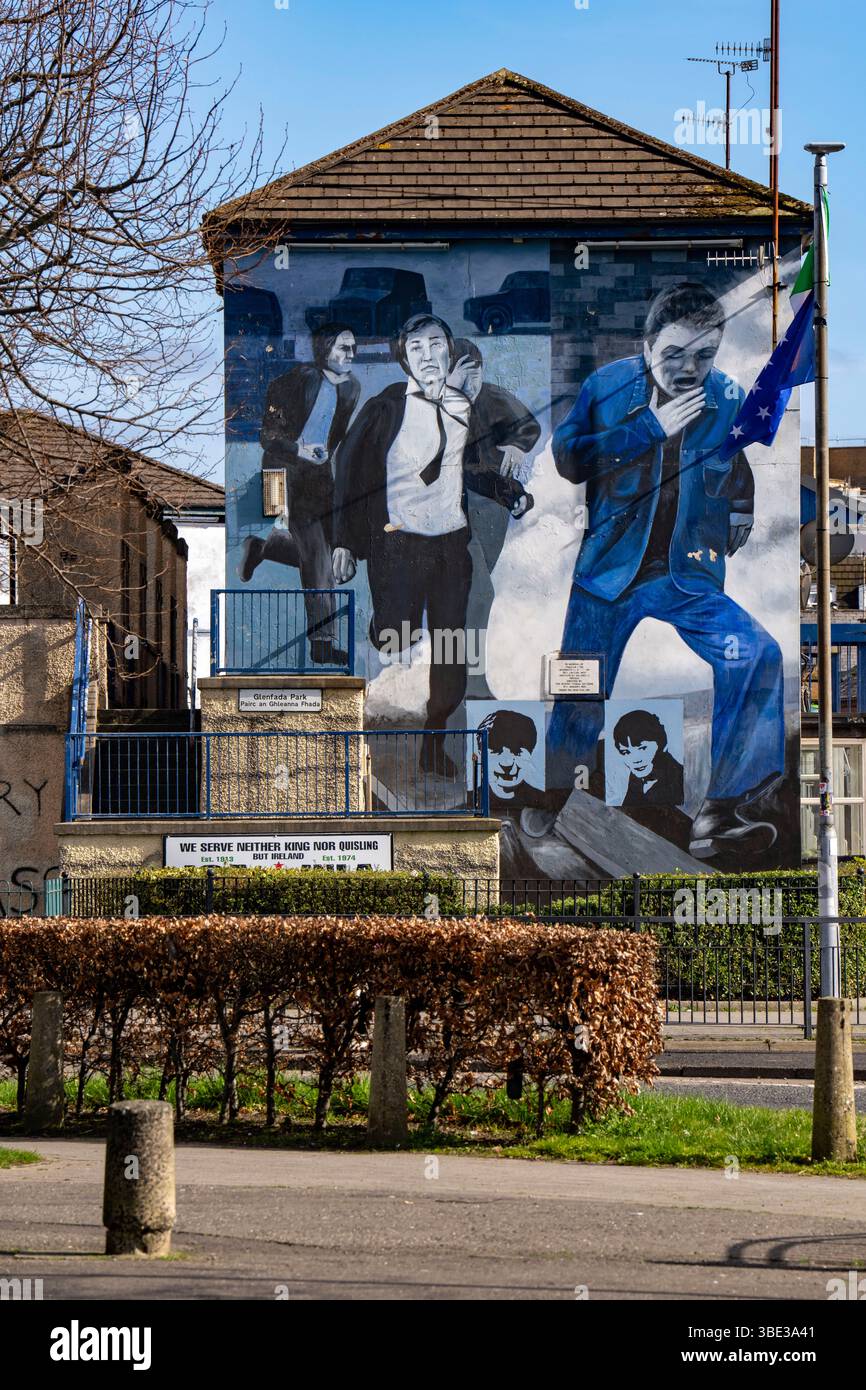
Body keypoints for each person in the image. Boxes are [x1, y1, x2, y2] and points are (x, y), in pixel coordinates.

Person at [546, 282, 784, 861]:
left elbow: (735, 454)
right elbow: (568, 458)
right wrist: (649, 428)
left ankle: (723, 812)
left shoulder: (726, 397)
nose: (689, 369)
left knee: (758, 653)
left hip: (684, 577)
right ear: (647, 344)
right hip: (607, 576)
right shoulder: (607, 386)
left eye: (704, 356)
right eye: (674, 354)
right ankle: (547, 794)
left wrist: (743, 504)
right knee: (580, 691)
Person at [332, 313, 481, 774]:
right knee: (396, 634)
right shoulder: (385, 406)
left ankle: (433, 742)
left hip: (451, 548)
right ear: (404, 359)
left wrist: (508, 492)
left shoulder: (464, 407)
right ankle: (385, 623)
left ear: (450, 351)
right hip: (397, 545)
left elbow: (472, 469)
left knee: (452, 649)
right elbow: (349, 469)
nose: (428, 355)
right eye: (416, 348)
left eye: (436, 344)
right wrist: (344, 542)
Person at [239, 323, 359, 665]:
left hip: (318, 478)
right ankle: (322, 644)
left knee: (325, 555)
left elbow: (334, 439)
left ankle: (262, 548)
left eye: (353, 348)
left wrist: (322, 462)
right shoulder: (295, 381)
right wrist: (300, 450)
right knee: (319, 556)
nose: (351, 355)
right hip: (277, 474)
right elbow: (268, 436)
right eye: (343, 348)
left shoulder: (352, 389)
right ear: (324, 351)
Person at [611, 709, 684, 807]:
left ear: (662, 744)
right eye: (626, 752)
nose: (635, 760)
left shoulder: (679, 778)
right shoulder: (637, 777)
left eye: (642, 748)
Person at [477, 708, 547, 809]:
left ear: (531, 754)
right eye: (496, 751)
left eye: (517, 752)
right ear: (480, 755)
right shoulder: (469, 805)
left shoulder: (542, 803)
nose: (507, 764)